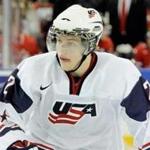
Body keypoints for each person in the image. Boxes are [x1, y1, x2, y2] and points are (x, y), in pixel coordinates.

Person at [0, 4, 150, 150]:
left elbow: (146, 123)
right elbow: (5, 116)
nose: (61, 50)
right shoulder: (34, 69)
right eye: (58, 40)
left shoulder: (121, 73)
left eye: (70, 43)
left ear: (90, 44)